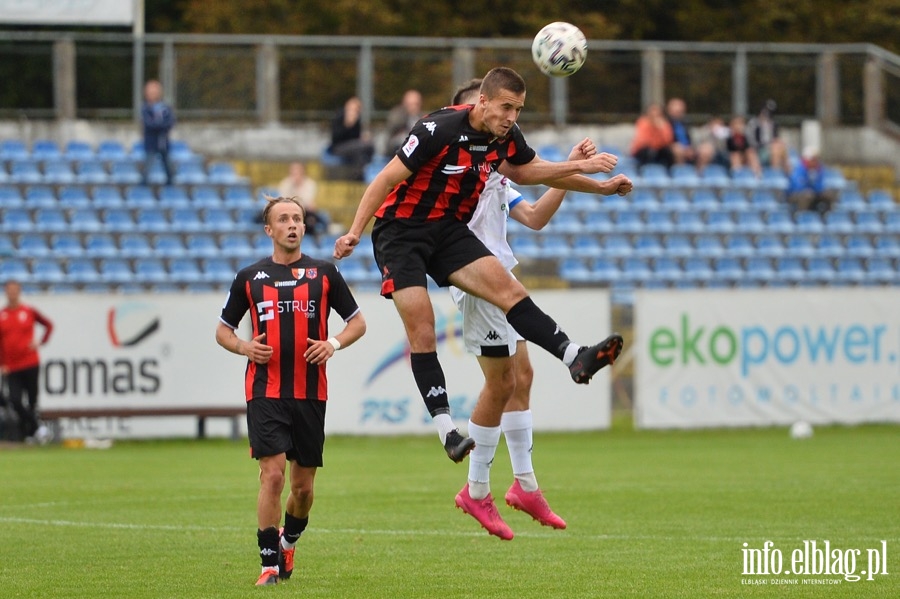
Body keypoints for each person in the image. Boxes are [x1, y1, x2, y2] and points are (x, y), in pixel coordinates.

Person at [333, 67, 629, 467]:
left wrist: (592, 180)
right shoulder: (437, 128)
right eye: (506, 107)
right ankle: (448, 432)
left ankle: (575, 356)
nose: (512, 117)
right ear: (482, 102)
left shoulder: (506, 137)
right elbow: (385, 179)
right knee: (422, 329)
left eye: (519, 109)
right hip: (399, 234)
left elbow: (528, 171)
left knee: (510, 291)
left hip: (448, 231)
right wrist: (354, 231)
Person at [447, 79, 587, 539]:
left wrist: (567, 174)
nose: (502, 121)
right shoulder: (456, 163)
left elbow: (535, 217)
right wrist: (575, 169)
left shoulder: (495, 170)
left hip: (501, 275)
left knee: (520, 378)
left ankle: (524, 485)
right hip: (477, 274)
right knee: (502, 382)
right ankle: (478, 489)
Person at [215, 197, 366, 586]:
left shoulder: (324, 273)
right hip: (264, 389)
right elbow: (223, 331)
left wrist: (332, 343)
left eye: (297, 218)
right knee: (272, 476)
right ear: (270, 230)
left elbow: (357, 323)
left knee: (302, 488)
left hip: (311, 392)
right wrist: (244, 347)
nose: (292, 224)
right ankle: (268, 566)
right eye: (283, 219)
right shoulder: (249, 278)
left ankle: (289, 540)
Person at [0, 280, 53, 443]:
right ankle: (38, 428)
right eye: (10, 290)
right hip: (12, 366)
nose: (12, 293)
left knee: (32, 401)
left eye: (15, 290)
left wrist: (41, 341)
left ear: (19, 291)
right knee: (15, 400)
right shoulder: (2, 315)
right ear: (6, 292)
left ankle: (29, 434)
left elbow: (49, 325)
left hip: (30, 363)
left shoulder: (28, 311)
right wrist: (2, 363)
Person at [327, 96, 375, 180]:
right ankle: (357, 176)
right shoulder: (339, 117)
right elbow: (335, 137)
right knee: (361, 148)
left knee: (364, 149)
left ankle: (360, 174)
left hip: (353, 147)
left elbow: (356, 137)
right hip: (338, 147)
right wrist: (347, 125)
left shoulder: (357, 120)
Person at [276, 162, 329, 237]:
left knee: (312, 217)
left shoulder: (310, 184)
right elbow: (283, 201)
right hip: (288, 211)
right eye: (293, 172)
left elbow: (308, 202)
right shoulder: (285, 184)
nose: (296, 175)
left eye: (298, 172)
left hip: (305, 212)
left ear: (303, 172)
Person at [140, 79, 175, 186]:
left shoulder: (165, 107)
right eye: (150, 91)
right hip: (151, 143)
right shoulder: (145, 108)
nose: (152, 94)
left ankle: (170, 190)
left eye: (155, 91)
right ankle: (143, 191)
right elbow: (148, 124)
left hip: (163, 143)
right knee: (146, 170)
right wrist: (160, 125)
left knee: (169, 170)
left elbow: (170, 122)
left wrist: (158, 125)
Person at [786, 145, 838, 213]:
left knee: (829, 194)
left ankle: (827, 216)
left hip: (813, 193)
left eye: (816, 159)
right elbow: (798, 187)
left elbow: (820, 185)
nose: (815, 161)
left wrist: (814, 186)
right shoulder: (799, 169)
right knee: (807, 195)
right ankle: (802, 215)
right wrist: (811, 185)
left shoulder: (819, 168)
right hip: (796, 194)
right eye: (813, 159)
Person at [746, 99, 789, 174]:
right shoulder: (753, 123)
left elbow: (775, 138)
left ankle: (782, 174)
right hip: (758, 150)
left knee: (780, 148)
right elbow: (751, 141)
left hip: (770, 150)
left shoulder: (773, 124)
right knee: (775, 148)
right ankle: (769, 174)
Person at [629, 102, 675, 170]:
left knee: (668, 152)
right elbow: (643, 140)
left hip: (658, 148)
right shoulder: (643, 122)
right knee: (647, 152)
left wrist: (660, 129)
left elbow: (668, 140)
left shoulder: (664, 123)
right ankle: (644, 170)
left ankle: (668, 172)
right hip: (644, 150)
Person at [385, 89, 423, 155]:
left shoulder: (423, 117)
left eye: (416, 104)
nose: (413, 107)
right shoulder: (397, 114)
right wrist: (407, 115)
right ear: (404, 103)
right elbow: (392, 128)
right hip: (398, 146)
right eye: (410, 104)